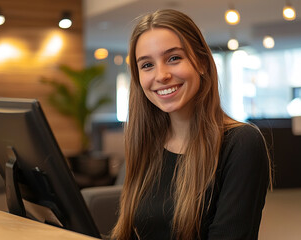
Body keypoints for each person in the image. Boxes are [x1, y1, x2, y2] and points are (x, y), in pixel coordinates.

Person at [111, 9, 272, 240]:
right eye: (147, 65)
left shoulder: (241, 142)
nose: (161, 75)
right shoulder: (148, 144)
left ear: (202, 63)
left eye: (174, 58)